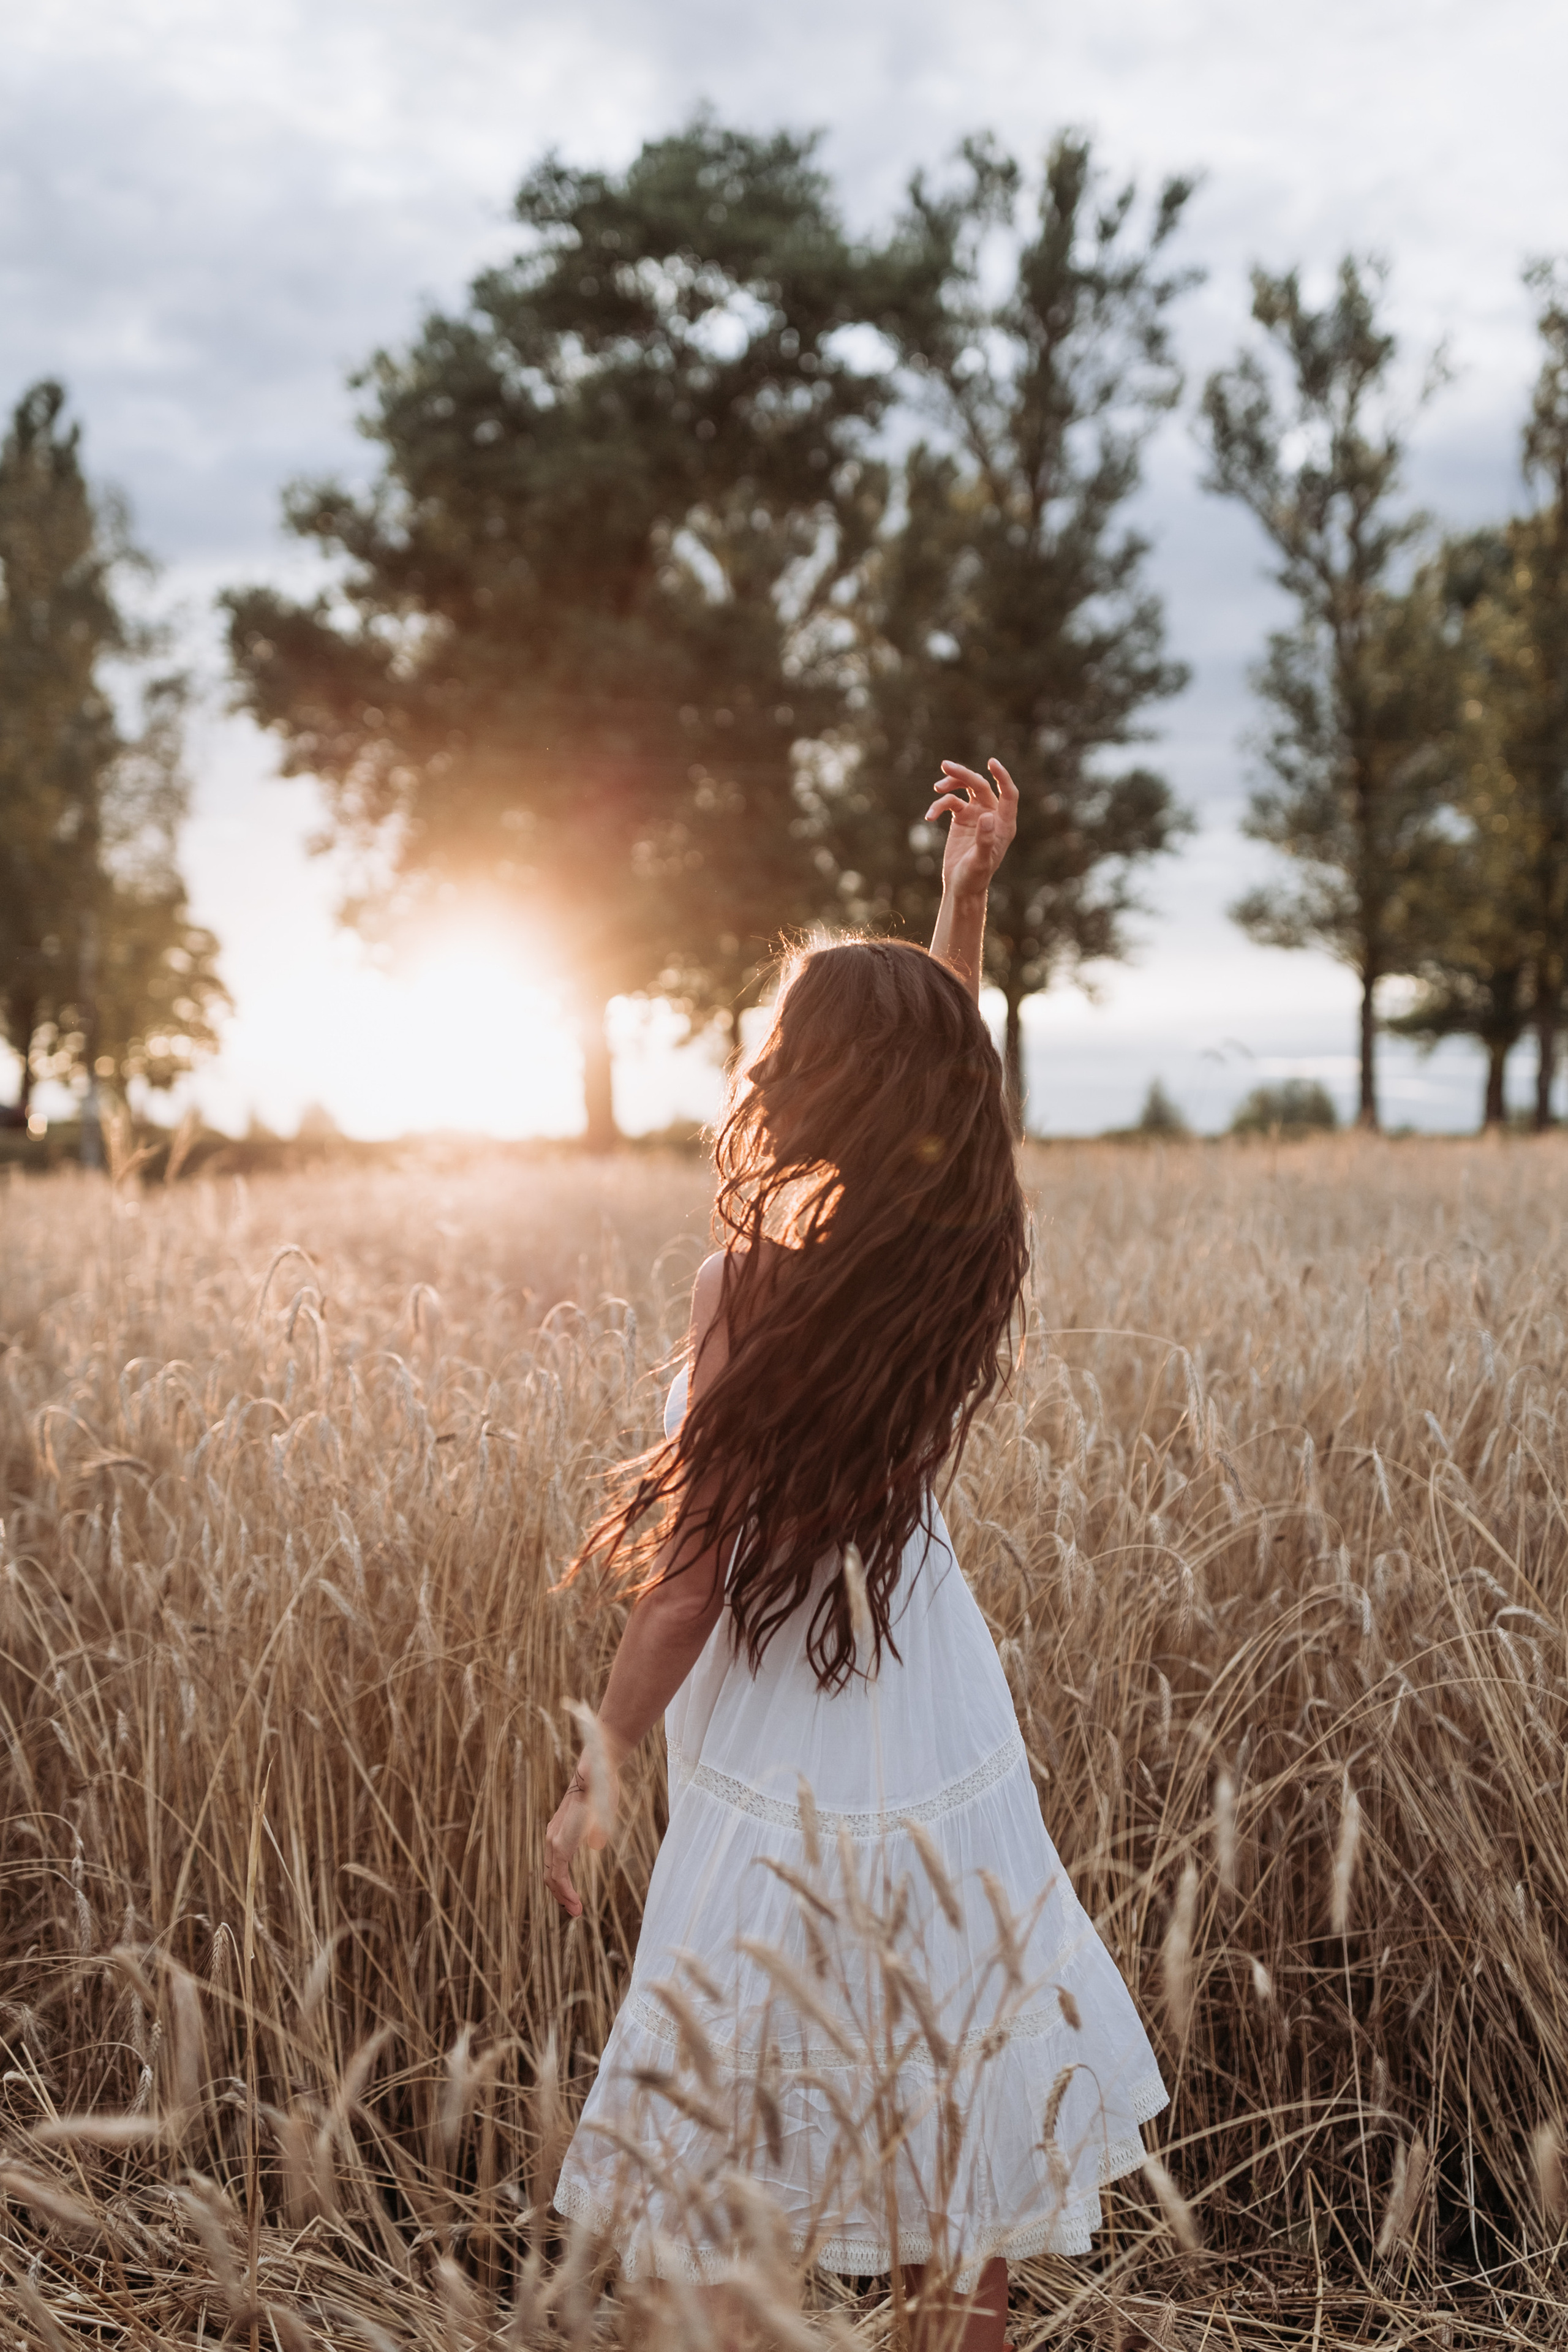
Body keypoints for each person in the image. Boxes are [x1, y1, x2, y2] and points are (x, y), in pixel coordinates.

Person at [544, 760, 1167, 2350]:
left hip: (783, 1723)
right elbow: (936, 1124)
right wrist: (963, 906)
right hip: (927, 1696)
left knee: (727, 2121)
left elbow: (691, 1581)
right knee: (955, 2101)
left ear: (810, 1081)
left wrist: (600, 1769)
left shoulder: (744, 1288)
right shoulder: (947, 1264)